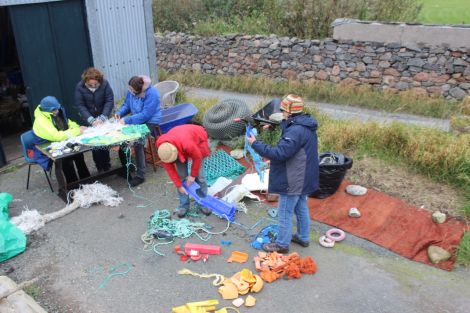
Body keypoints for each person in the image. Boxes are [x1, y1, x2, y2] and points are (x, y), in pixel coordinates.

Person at [247, 94, 319, 253]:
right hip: (305, 175)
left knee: (285, 211)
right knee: (301, 206)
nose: (282, 113)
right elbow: (291, 142)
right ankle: (303, 237)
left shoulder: (294, 132)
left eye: (284, 110)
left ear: (290, 112)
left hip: (293, 178)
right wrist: (272, 125)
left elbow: (280, 153)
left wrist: (255, 143)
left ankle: (281, 244)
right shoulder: (304, 124)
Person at [156, 124, 212, 218]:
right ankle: (184, 205)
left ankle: (203, 202)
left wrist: (193, 176)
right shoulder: (164, 150)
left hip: (196, 139)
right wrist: (179, 185)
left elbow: (197, 158)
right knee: (181, 176)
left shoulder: (188, 144)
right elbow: (170, 170)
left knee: (200, 177)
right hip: (178, 142)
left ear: (176, 153)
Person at [32, 96, 90, 183]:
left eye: (57, 108)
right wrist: (77, 131)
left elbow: (68, 122)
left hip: (62, 141)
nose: (57, 111)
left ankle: (87, 180)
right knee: (66, 159)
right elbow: (56, 136)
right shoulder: (41, 121)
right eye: (54, 110)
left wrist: (77, 127)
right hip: (45, 147)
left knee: (78, 154)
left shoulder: (56, 111)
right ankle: (73, 185)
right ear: (46, 110)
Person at [115, 75, 161, 187]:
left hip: (150, 121)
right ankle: (128, 167)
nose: (131, 92)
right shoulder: (133, 89)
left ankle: (140, 175)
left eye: (133, 91)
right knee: (121, 136)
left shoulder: (152, 93)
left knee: (138, 142)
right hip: (137, 118)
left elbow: (146, 115)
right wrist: (119, 113)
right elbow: (127, 105)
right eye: (130, 89)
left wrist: (127, 120)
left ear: (141, 89)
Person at [74, 67, 114, 172]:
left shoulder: (105, 84)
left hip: (102, 116)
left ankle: (107, 164)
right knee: (94, 142)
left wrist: (103, 116)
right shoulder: (80, 87)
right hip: (89, 118)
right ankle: (99, 166)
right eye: (90, 84)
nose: (93, 86)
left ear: (99, 81)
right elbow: (80, 105)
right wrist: (90, 119)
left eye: (95, 84)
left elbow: (109, 101)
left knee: (104, 140)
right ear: (85, 81)